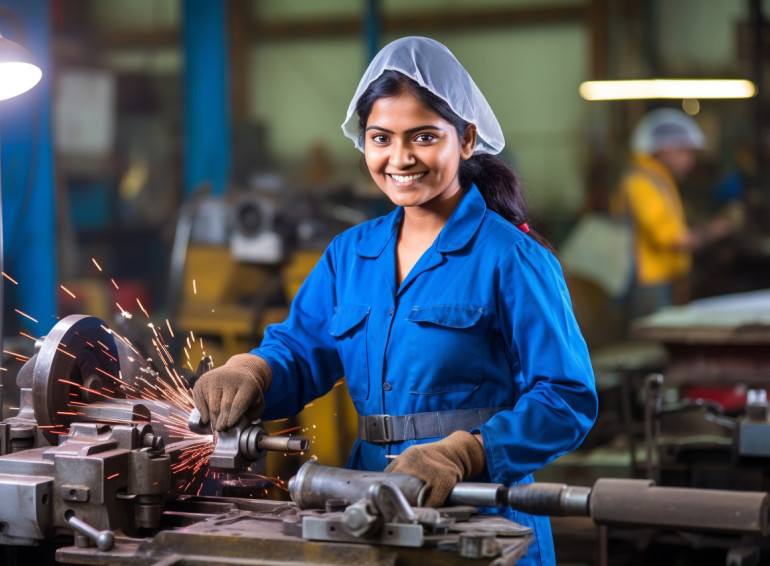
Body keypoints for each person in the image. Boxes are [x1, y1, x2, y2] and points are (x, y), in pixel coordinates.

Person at [193, 36, 598, 565]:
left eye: (424, 137)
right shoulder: (350, 254)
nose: (400, 158)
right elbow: (300, 348)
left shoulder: (511, 257)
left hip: (482, 513)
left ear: (467, 140)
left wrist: (466, 452)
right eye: (380, 138)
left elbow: (566, 397)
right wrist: (254, 371)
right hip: (364, 502)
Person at [612, 108, 733, 320]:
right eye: (685, 152)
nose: (690, 160)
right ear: (665, 149)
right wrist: (715, 230)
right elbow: (671, 237)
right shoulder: (640, 182)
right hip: (650, 283)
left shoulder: (658, 178)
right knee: (651, 344)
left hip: (665, 279)